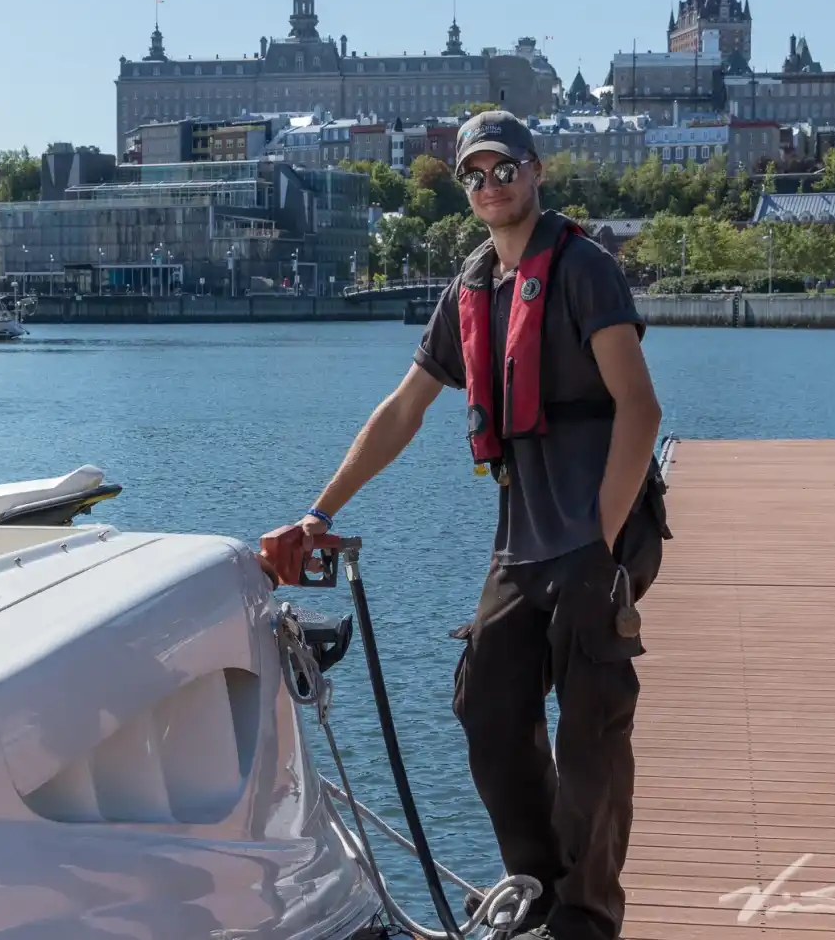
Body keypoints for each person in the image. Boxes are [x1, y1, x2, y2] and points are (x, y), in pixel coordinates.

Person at [266, 111, 668, 940]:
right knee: (487, 705)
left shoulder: (585, 269)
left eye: (504, 169)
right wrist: (320, 510)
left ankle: (588, 918)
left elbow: (639, 406)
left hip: (600, 534)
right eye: (475, 176)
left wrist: (603, 539)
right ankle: (543, 884)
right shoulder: (472, 288)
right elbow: (403, 411)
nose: (491, 187)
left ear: (536, 171)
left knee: (592, 728)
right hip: (522, 544)